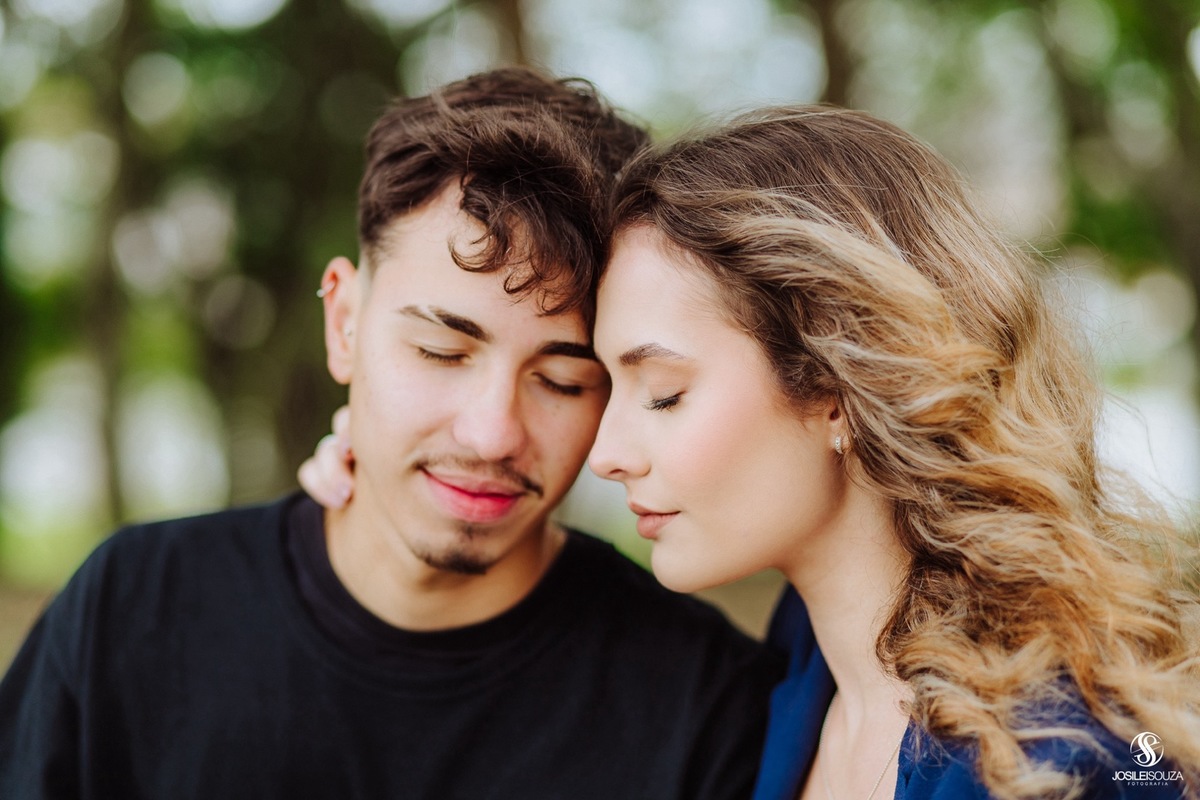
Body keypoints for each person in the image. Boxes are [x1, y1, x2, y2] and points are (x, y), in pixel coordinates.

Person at [305, 105, 1200, 798]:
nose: (608, 454)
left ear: (840, 388)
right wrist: (396, 474)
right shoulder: (804, 668)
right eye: (602, 389)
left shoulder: (1083, 753)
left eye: (663, 393)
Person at [0, 68, 783, 799]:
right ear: (344, 323)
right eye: (442, 351)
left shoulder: (704, 699)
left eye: (562, 380)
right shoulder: (132, 610)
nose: (490, 435)